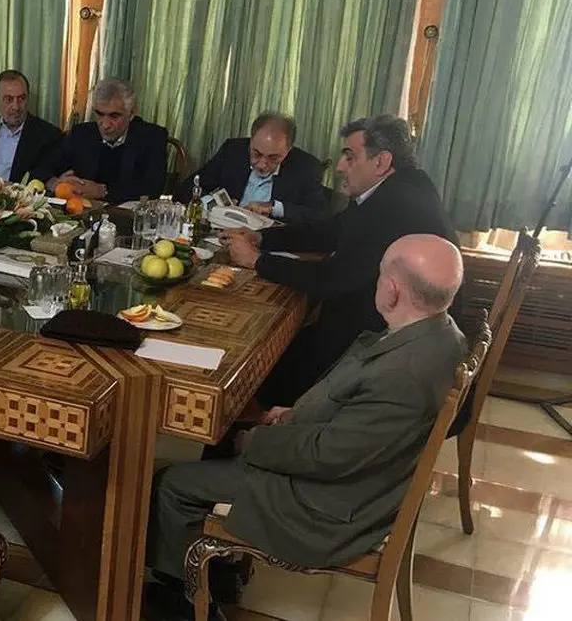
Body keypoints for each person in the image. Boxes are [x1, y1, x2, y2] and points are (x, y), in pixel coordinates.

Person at [145, 234, 466, 621]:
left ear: (393, 290)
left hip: (325, 508)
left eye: (380, 275)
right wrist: (294, 414)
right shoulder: (440, 333)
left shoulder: (404, 374)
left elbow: (326, 456)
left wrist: (255, 441)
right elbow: (355, 421)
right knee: (221, 438)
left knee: (172, 484)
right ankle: (222, 571)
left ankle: (189, 603)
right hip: (353, 474)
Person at [225, 114, 461, 408]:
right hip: (388, 324)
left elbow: (332, 279)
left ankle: (245, 426)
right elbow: (333, 231)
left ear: (381, 162)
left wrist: (257, 261)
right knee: (284, 342)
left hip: (387, 348)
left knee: (258, 366)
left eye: (350, 157)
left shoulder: (392, 206)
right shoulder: (404, 184)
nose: (339, 166)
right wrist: (263, 238)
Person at [36, 78, 168, 203]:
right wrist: (55, 183)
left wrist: (103, 191)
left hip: (127, 215)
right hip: (82, 211)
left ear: (132, 113)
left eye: (114, 116)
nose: (105, 125)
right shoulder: (81, 134)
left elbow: (153, 188)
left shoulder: (153, 137)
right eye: (100, 114)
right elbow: (41, 168)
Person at [181, 112, 328, 224]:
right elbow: (189, 187)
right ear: (251, 140)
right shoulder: (233, 150)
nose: (262, 164)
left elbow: (319, 216)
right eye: (256, 154)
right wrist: (214, 205)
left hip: (266, 242)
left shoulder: (305, 166)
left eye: (273, 158)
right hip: (221, 230)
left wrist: (274, 208)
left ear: (289, 150)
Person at [0, 69, 62, 182]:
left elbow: (45, 178)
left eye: (21, 98)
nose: (16, 107)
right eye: (9, 99)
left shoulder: (48, 135)